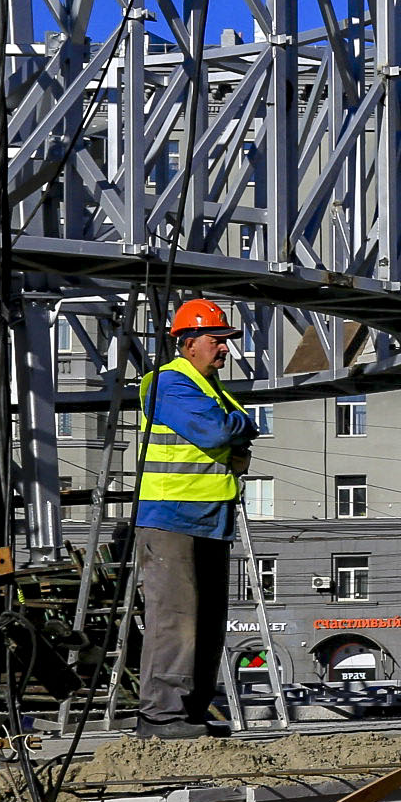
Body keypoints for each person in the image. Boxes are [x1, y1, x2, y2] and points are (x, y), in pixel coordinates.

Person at [133, 298, 254, 739]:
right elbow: (224, 430)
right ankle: (161, 717)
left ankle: (189, 715)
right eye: (216, 339)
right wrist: (235, 430)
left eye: (225, 340)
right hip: (171, 519)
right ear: (187, 344)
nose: (224, 349)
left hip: (211, 520)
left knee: (206, 623)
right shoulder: (167, 383)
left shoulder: (212, 390)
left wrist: (236, 426)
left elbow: (242, 422)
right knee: (176, 621)